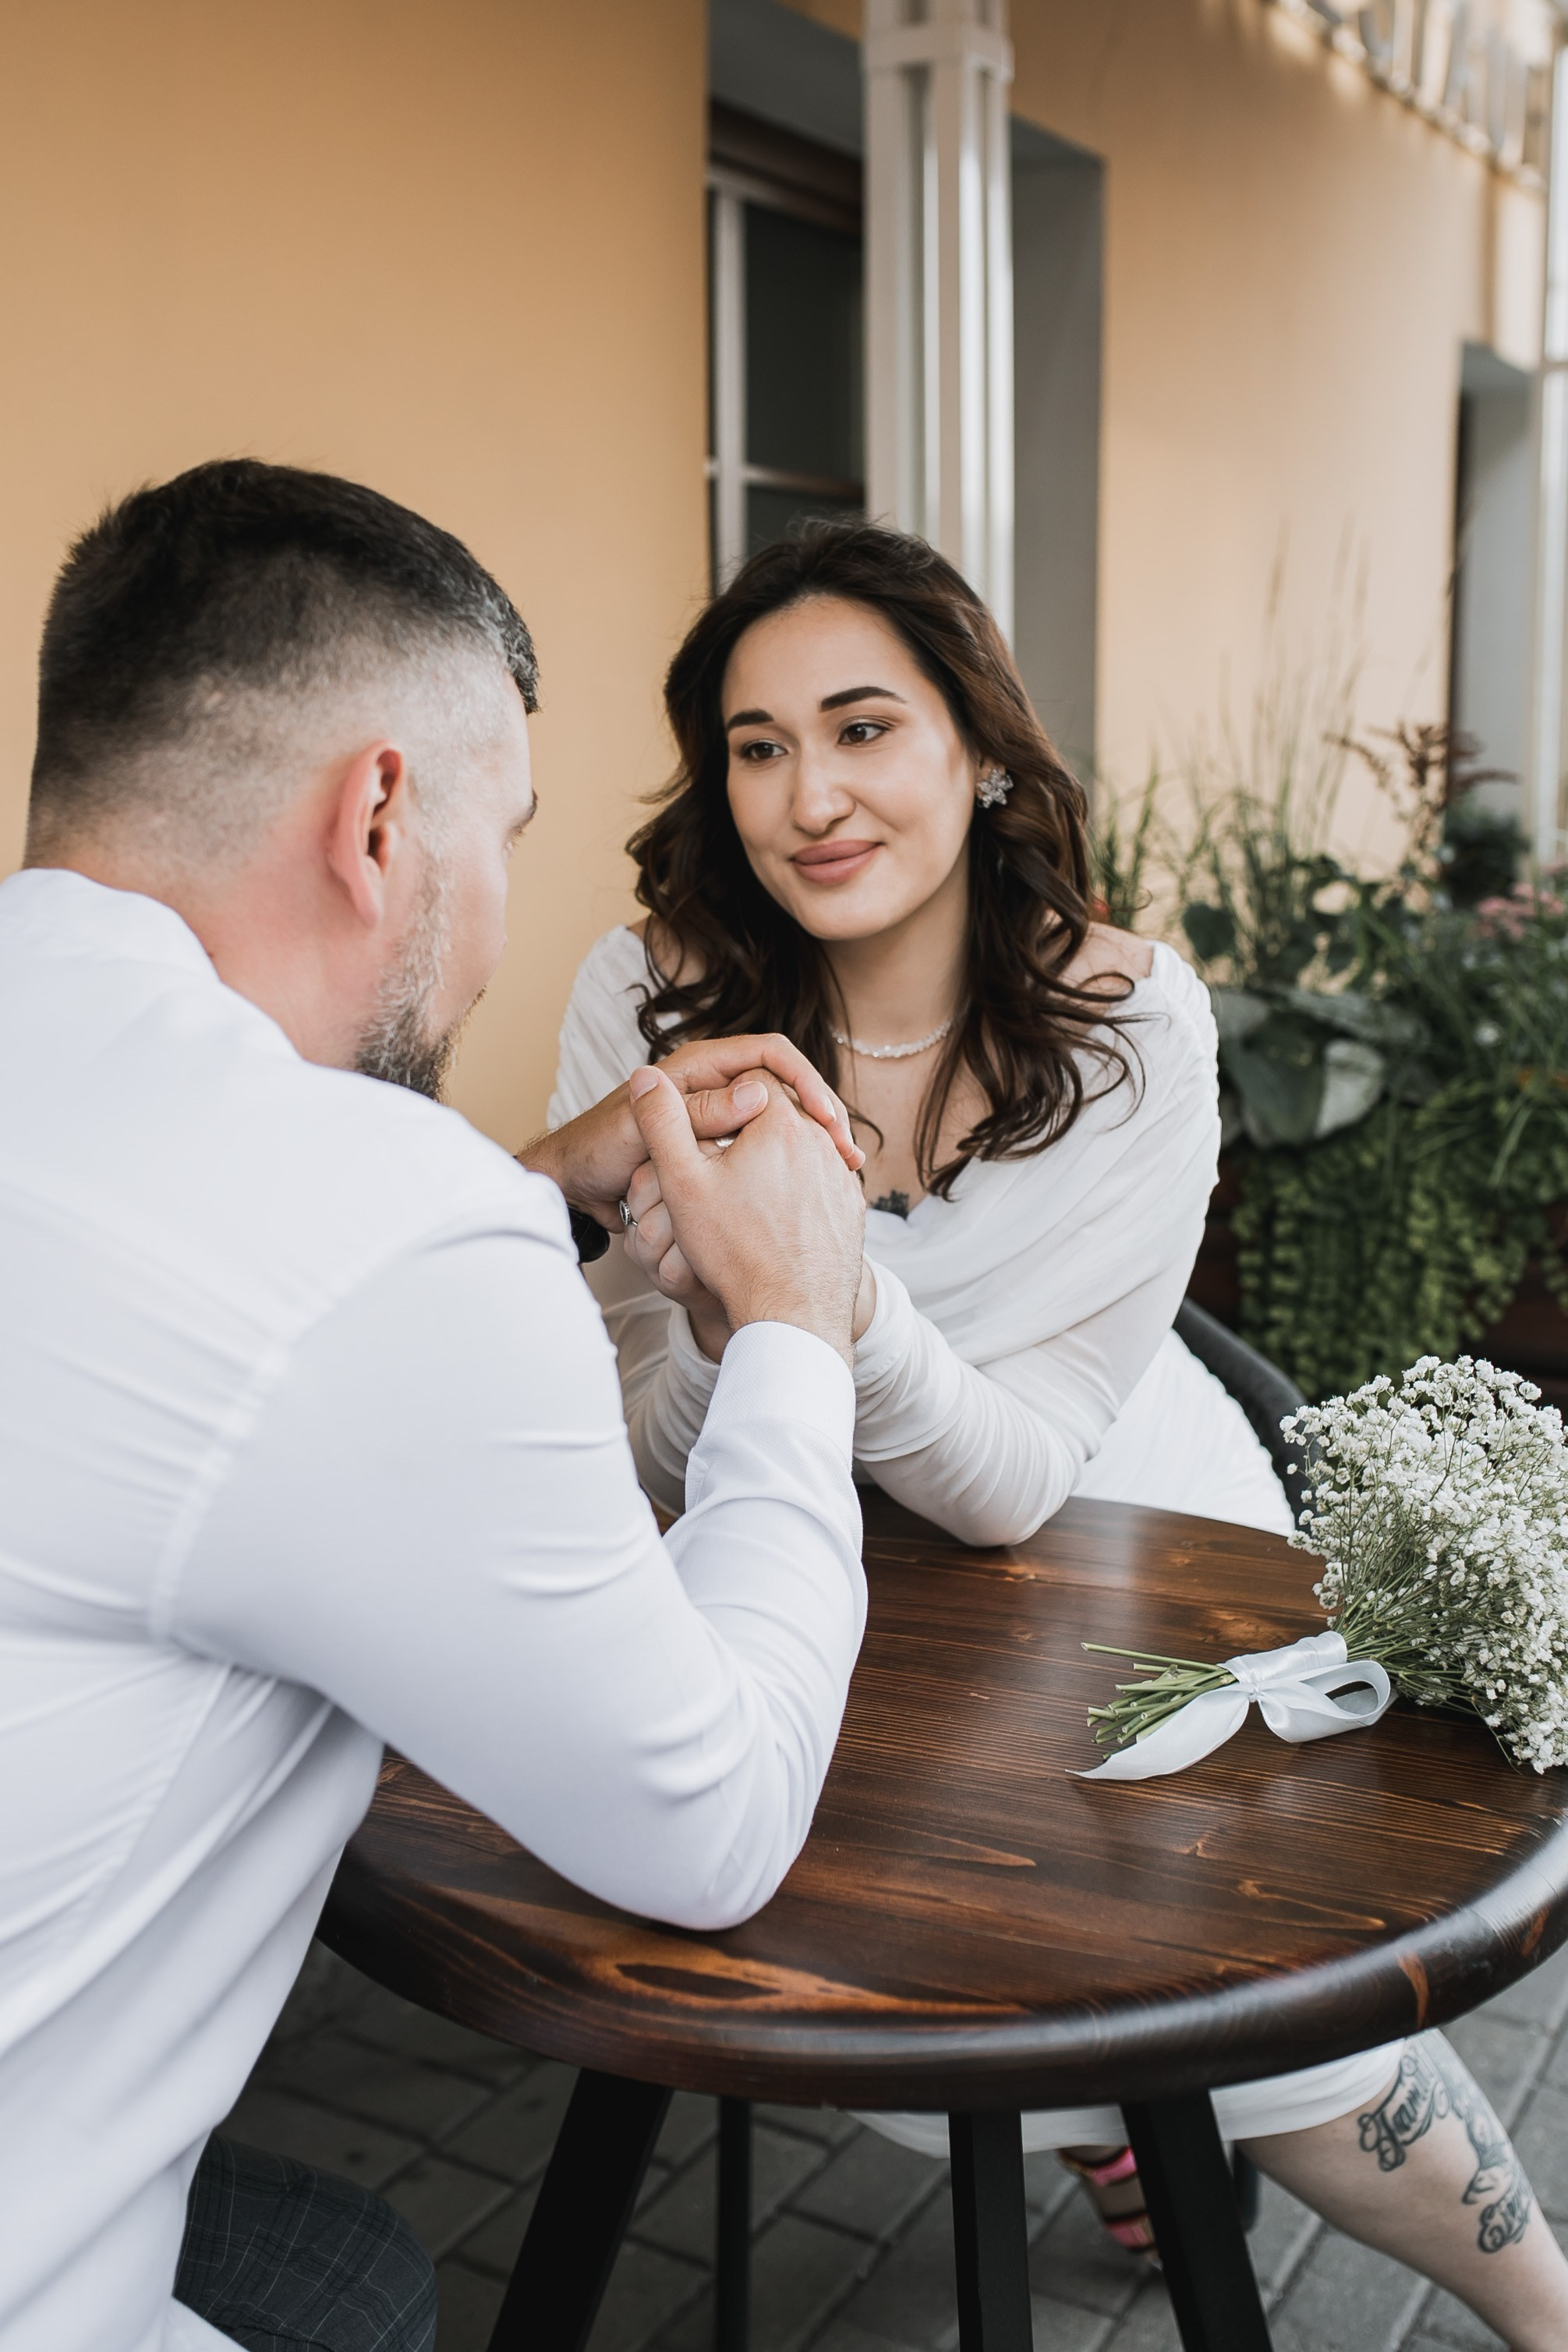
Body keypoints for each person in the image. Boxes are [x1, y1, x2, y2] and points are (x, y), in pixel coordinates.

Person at [548, 519, 1568, 2350]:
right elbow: (629, 1446)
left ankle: (1542, 2299)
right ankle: (1116, 2130)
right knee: (855, 1930)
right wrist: (727, 1350)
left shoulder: (1128, 1021)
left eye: (864, 727)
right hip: (809, 1564)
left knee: (1274, 2030)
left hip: (1123, 1532)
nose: (807, 796)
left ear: (981, 749)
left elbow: (1019, 1472)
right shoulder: (645, 1003)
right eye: (758, 745)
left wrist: (820, 1303)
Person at [0, 460, 872, 2352]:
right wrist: (798, 1324)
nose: (495, 927)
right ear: (381, 815)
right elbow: (706, 1823)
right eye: (509, 834)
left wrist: (521, 1198)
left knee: (355, 2270)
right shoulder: (370, 1228)